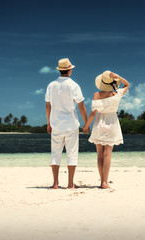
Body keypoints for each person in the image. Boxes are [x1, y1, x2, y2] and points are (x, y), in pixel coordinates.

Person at [45, 58, 88, 189]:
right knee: (72, 153)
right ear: (69, 70)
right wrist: (86, 123)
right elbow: (81, 106)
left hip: (56, 124)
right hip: (71, 125)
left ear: (60, 70)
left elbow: (48, 106)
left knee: (55, 153)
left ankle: (55, 183)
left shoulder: (51, 85)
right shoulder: (74, 85)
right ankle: (70, 184)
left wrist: (48, 123)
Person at [83, 71, 130, 188]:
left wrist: (86, 126)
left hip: (100, 122)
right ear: (113, 83)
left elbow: (93, 112)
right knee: (107, 154)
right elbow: (127, 85)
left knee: (99, 154)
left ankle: (101, 181)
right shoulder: (117, 94)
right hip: (112, 122)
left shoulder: (97, 95)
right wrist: (118, 77)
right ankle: (105, 182)